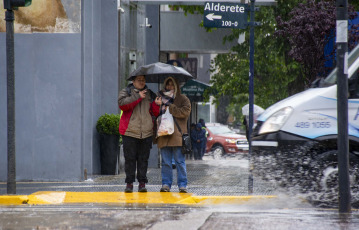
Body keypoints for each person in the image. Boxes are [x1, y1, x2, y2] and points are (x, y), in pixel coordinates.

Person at [118, 75, 161, 193]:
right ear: (133, 81)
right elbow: (122, 104)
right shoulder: (126, 91)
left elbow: (154, 112)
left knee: (143, 159)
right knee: (130, 159)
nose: (142, 82)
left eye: (143, 80)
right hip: (130, 131)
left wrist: (156, 105)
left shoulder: (150, 94)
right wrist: (137, 96)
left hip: (146, 132)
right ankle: (129, 183)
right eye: (139, 80)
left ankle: (142, 183)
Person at [156, 76, 191, 193]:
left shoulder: (182, 98)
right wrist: (157, 105)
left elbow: (185, 112)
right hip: (163, 134)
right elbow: (154, 114)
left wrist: (171, 107)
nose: (169, 87)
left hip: (177, 135)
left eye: (172, 84)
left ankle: (182, 185)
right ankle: (166, 184)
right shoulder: (159, 97)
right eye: (167, 84)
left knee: (179, 161)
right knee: (165, 162)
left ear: (176, 86)